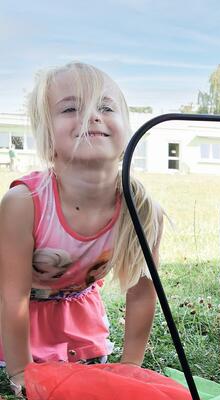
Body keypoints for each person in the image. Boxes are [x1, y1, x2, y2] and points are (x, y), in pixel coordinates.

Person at [0, 62, 163, 397]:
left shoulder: (142, 209)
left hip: (78, 322)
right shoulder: (23, 203)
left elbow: (142, 292)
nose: (92, 115)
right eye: (71, 108)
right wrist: (20, 372)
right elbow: (11, 296)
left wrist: (131, 366)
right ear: (47, 136)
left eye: (105, 107)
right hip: (13, 325)